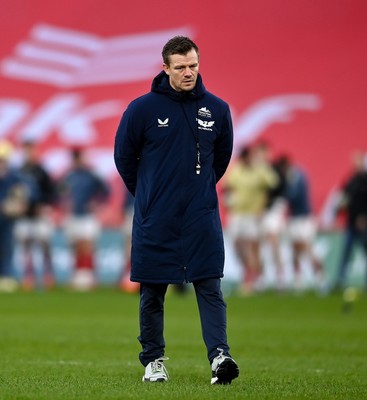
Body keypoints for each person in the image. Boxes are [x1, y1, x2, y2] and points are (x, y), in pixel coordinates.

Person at [114, 36, 239, 385]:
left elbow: (221, 159)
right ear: (165, 67)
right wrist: (149, 196)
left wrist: (198, 192)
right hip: (157, 218)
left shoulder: (217, 109)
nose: (189, 72)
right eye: (181, 66)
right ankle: (153, 362)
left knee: (210, 287)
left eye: (194, 65)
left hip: (201, 217)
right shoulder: (141, 109)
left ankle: (220, 358)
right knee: (152, 291)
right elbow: (124, 158)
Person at [223, 143, 279, 294]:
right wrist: (228, 200)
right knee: (237, 246)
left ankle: (250, 280)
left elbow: (274, 186)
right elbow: (226, 187)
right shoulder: (237, 171)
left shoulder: (260, 170)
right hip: (237, 214)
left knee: (252, 247)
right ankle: (250, 272)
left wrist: (265, 207)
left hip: (253, 215)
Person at [59, 148, 110, 290]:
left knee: (87, 245)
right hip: (73, 215)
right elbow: (60, 192)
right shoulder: (69, 176)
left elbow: (105, 192)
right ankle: (77, 276)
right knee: (75, 246)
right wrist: (64, 202)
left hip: (88, 216)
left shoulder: (92, 175)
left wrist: (97, 203)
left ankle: (91, 277)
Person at [14, 140, 56, 290]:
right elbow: (14, 192)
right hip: (24, 215)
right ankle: (28, 276)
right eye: (27, 150)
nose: (29, 154)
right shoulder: (19, 172)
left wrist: (43, 204)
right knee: (26, 245)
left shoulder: (41, 171)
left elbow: (52, 192)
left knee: (45, 244)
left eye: (32, 150)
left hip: (40, 213)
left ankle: (48, 275)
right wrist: (16, 205)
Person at [333, 151, 367, 291]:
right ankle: (340, 280)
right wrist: (340, 208)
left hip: (364, 223)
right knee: (346, 252)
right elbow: (344, 197)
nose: (355, 164)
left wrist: (365, 217)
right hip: (351, 223)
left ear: (363, 162)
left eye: (358, 161)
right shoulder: (351, 180)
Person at [281, 155, 324, 290]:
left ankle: (321, 278)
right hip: (294, 217)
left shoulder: (296, 175)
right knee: (295, 249)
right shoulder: (296, 174)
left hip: (304, 218)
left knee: (307, 247)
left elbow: (294, 195)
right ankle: (298, 280)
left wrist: (282, 194)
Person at [0, 140, 28, 292]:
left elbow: (22, 193)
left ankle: (5, 276)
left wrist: (18, 204)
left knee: (6, 246)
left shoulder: (13, 176)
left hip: (7, 216)